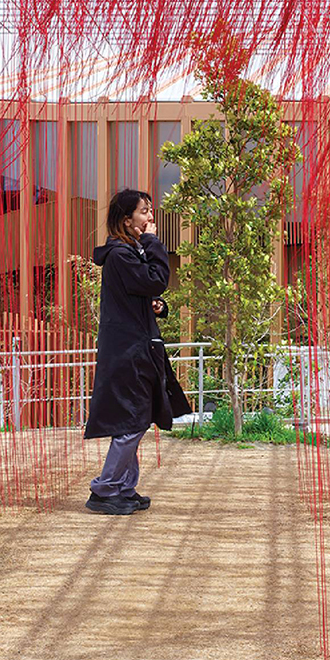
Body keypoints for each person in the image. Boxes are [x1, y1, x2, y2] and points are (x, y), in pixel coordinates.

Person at [83, 188, 190, 515]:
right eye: (144, 212)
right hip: (128, 351)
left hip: (134, 347)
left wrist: (155, 307)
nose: (150, 217)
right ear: (127, 220)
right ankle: (105, 489)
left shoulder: (127, 253)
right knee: (132, 420)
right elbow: (155, 279)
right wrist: (153, 242)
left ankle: (123, 488)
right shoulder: (122, 254)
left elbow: (143, 291)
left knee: (137, 418)